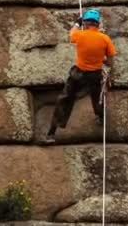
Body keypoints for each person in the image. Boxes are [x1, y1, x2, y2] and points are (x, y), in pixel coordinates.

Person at [45, 9, 117, 144]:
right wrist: (103, 60)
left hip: (78, 73)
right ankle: (100, 117)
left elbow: (71, 34)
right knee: (97, 98)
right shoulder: (105, 39)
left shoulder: (80, 35)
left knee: (65, 99)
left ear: (86, 23)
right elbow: (110, 60)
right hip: (95, 75)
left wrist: (77, 23)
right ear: (98, 24)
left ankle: (51, 133)